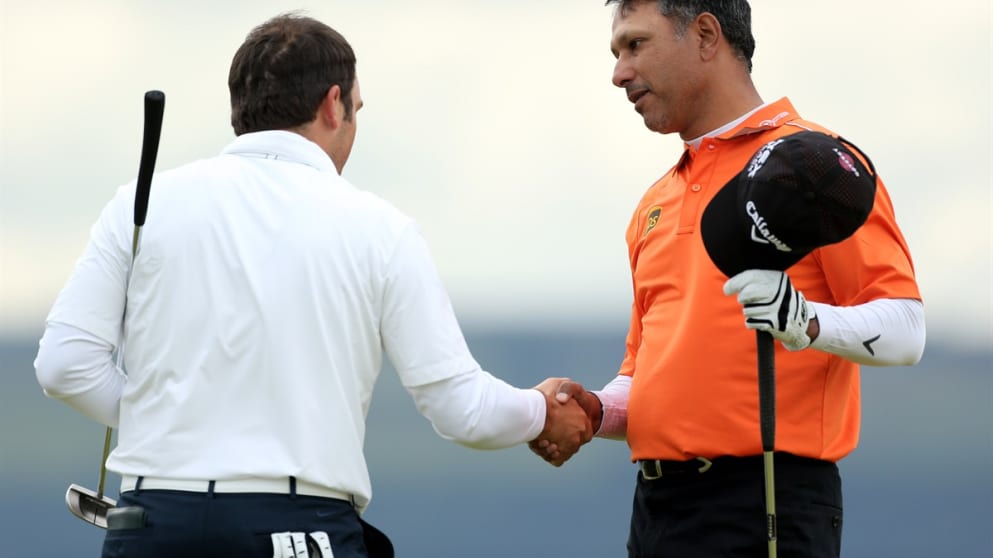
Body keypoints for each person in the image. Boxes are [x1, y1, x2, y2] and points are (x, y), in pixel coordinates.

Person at [33, 13, 591, 558]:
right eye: (357, 109)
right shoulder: (380, 227)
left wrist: (178, 412)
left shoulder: (144, 200)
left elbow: (64, 364)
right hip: (298, 530)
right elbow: (459, 407)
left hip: (151, 525)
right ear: (333, 104)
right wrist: (543, 411)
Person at [530, 1, 926, 557]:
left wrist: (804, 321)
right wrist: (595, 411)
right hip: (656, 512)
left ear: (707, 35)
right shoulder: (655, 202)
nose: (618, 72)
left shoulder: (815, 166)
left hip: (766, 500)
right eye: (617, 52)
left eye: (635, 45)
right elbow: (646, 378)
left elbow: (907, 328)